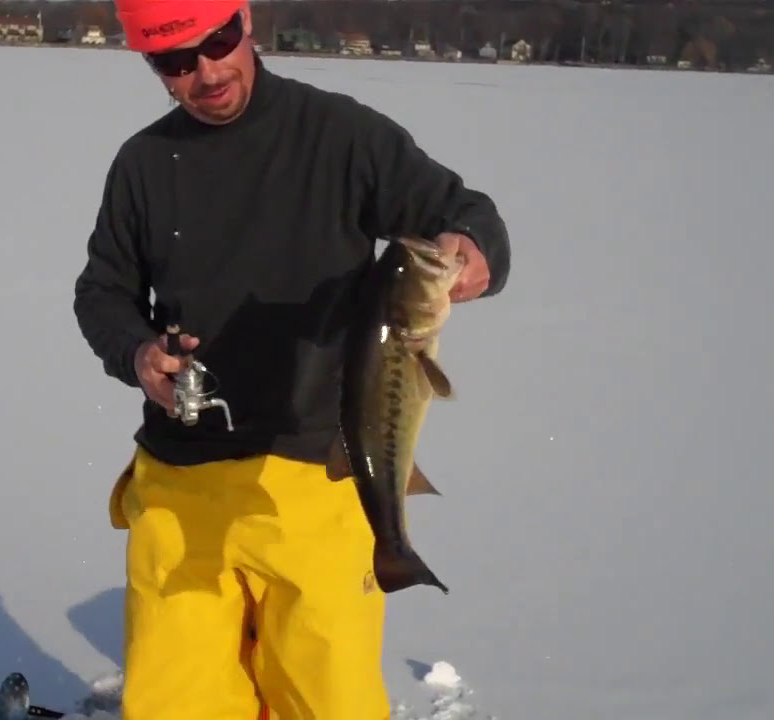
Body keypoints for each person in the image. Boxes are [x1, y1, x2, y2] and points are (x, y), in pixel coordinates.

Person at [72, 1, 511, 718]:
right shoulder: (144, 165)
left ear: (246, 22)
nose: (207, 71)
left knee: (328, 698)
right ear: (152, 66)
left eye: (217, 40)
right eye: (176, 60)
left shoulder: (339, 135)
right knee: (174, 702)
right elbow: (102, 292)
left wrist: (473, 246)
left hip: (322, 475)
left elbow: (461, 209)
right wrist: (139, 351)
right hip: (183, 484)